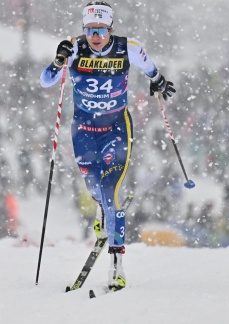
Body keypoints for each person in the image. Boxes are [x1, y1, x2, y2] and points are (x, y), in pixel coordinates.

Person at [40, 1, 176, 291]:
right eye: (90, 30)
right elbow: (46, 81)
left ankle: (117, 267)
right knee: (94, 189)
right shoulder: (75, 48)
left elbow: (148, 63)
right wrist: (58, 60)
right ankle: (102, 212)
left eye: (101, 30)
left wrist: (158, 80)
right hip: (84, 132)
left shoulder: (126, 48)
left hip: (116, 129)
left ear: (110, 29)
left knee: (111, 191)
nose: (96, 36)